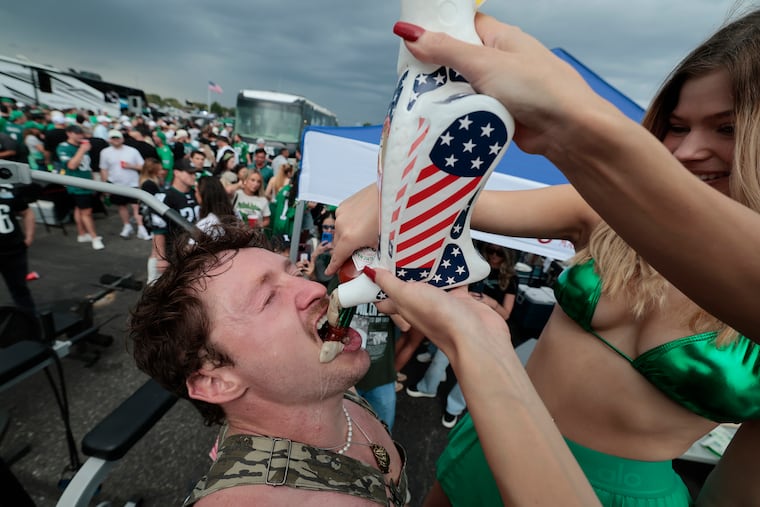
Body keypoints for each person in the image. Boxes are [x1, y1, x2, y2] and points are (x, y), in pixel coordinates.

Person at [331, 12, 760, 507]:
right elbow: (449, 205)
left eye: (727, 128)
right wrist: (384, 198)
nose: (687, 151)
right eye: (677, 126)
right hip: (485, 450)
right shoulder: (607, 215)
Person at [129, 223, 409, 506]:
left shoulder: (331, 386)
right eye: (268, 298)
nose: (314, 288)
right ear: (215, 381)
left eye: (296, 272)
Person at [56, 124, 104, 250]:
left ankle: (82, 234)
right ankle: (94, 237)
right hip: (77, 184)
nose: (80, 136)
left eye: (81, 133)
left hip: (86, 181)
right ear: (69, 134)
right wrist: (82, 150)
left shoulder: (80, 145)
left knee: (79, 209)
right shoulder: (64, 147)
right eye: (77, 133)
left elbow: (87, 167)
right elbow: (71, 165)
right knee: (86, 212)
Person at [99, 129, 150, 240]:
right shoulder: (105, 152)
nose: (116, 140)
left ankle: (141, 228)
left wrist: (130, 166)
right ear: (109, 140)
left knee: (136, 207)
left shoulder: (132, 151)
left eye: (117, 137)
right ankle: (127, 225)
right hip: (116, 184)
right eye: (113, 138)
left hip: (133, 183)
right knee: (122, 206)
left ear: (122, 139)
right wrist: (104, 185)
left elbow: (143, 166)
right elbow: (104, 169)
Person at [0, 184, 36, 313]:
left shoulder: (8, 191)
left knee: (20, 290)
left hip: (14, 250)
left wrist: (29, 238)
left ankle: (30, 323)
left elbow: (27, 212)